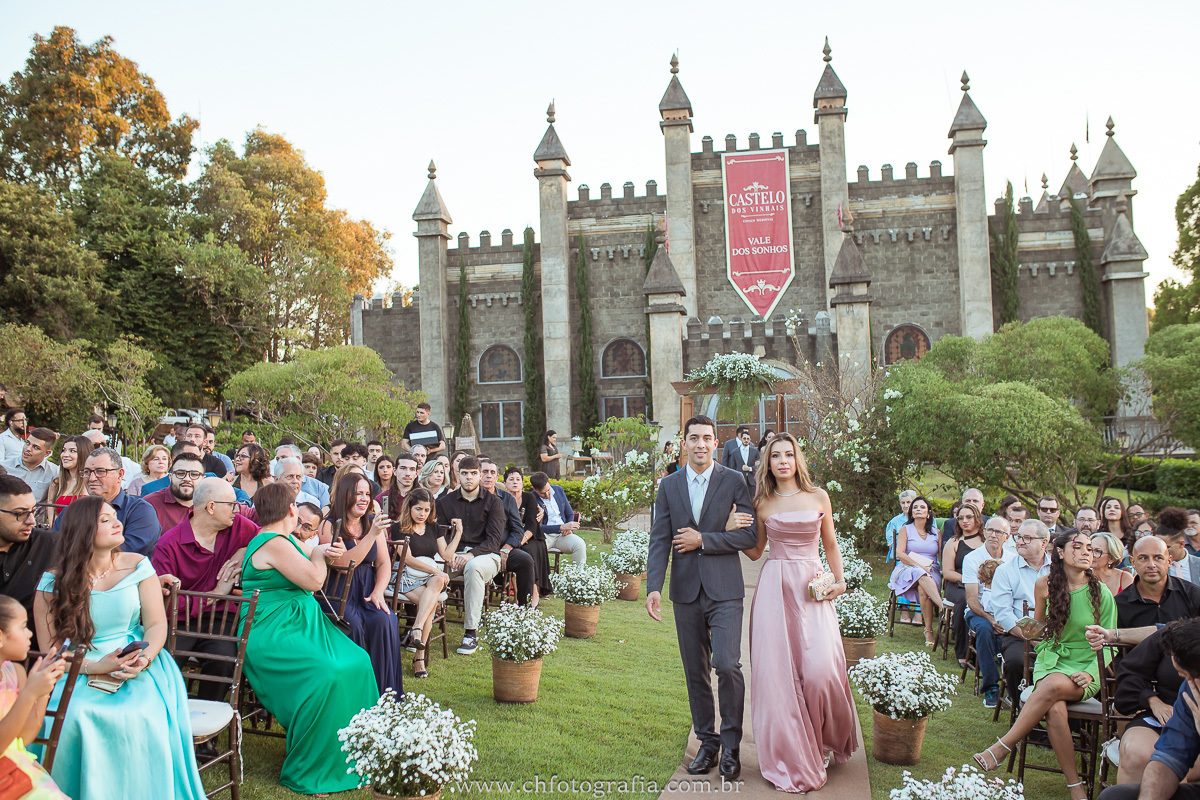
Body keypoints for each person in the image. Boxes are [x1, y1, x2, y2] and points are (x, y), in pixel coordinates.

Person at [33, 496, 207, 799]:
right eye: (105, 519)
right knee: (77, 715)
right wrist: (93, 667)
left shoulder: (139, 565)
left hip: (137, 660)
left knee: (139, 715)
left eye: (116, 516)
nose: (117, 523)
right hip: (76, 663)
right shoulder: (51, 583)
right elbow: (51, 648)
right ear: (82, 530)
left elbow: (156, 625)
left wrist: (145, 658)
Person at [238, 482, 379, 795]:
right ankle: (316, 763)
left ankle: (360, 752)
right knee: (326, 675)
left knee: (358, 661)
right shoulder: (272, 542)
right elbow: (314, 579)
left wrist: (325, 552)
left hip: (298, 625)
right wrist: (318, 552)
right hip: (272, 631)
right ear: (291, 510)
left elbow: (313, 561)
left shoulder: (284, 539)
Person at [741, 431, 855, 792]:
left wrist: (841, 581)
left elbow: (831, 543)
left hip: (812, 587)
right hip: (775, 587)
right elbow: (757, 551)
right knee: (778, 675)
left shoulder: (818, 495)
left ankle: (823, 738)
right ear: (768, 463)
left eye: (789, 454)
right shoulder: (762, 501)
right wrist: (733, 531)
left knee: (821, 670)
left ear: (797, 459)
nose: (783, 461)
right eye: (776, 456)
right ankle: (795, 748)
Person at [646, 415, 756, 780]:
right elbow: (660, 539)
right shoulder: (669, 485)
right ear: (684, 443)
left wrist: (704, 539)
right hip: (685, 591)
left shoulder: (735, 480)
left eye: (707, 438)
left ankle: (732, 747)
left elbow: (749, 537)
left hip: (725, 590)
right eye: (693, 438)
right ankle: (708, 744)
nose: (700, 444)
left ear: (715, 442)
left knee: (726, 664)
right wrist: (654, 587)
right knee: (695, 672)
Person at [974, 529, 1117, 800]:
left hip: (1085, 665)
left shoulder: (1102, 593)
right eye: (1079, 546)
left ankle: (1003, 747)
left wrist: (1089, 673)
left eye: (1091, 548)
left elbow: (1109, 646)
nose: (1087, 552)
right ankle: (1076, 789)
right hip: (1051, 659)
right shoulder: (1044, 584)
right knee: (1055, 710)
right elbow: (1039, 630)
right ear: (1060, 552)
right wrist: (1013, 624)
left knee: (1051, 688)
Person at [152, 478, 259, 702]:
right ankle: (168, 718)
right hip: (178, 622)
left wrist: (244, 550)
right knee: (164, 664)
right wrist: (217, 594)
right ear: (211, 507)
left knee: (223, 660)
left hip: (221, 619)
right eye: (231, 504)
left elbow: (267, 537)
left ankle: (208, 722)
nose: (236, 509)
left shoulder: (238, 527)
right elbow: (165, 603)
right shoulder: (169, 545)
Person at [1096, 618, 1200, 800]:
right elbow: (1170, 758)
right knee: (1115, 796)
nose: (1185, 681)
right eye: (1183, 676)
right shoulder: (1191, 691)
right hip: (1156, 717)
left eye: (1187, 676)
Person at [318, 475, 402, 695]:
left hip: (367, 589)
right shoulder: (330, 524)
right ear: (346, 494)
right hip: (337, 591)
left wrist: (378, 591)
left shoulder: (370, 523)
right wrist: (372, 534)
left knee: (385, 619)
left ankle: (385, 693)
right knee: (352, 623)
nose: (364, 499)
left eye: (367, 494)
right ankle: (356, 693)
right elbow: (341, 563)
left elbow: (383, 562)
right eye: (358, 493)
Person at [435, 456, 506, 655]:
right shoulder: (444, 502)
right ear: (457, 475)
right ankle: (420, 626)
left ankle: (470, 633)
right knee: (430, 566)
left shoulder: (494, 503)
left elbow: (494, 541)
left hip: (486, 556)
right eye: (464, 473)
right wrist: (448, 555)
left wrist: (471, 555)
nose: (469, 478)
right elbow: (438, 534)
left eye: (473, 474)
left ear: (480, 475)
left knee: (473, 568)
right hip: (452, 556)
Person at [0, 594, 69, 797]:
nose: (30, 633)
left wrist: (42, 689)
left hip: (17, 766)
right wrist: (29, 693)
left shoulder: (16, 673)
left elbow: (25, 737)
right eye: (22, 627)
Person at [1085, 537, 1200, 653]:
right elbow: (1114, 653)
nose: (1151, 565)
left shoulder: (1192, 595)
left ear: (1169, 561)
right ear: (1133, 562)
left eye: (1158, 558)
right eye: (1143, 558)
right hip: (1138, 669)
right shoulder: (1119, 604)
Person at [394, 489, 460, 679]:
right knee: (430, 606)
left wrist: (458, 534)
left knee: (438, 581)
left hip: (430, 578)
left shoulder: (433, 527)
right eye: (418, 509)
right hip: (407, 576)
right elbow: (406, 559)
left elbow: (446, 555)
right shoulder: (399, 527)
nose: (422, 514)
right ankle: (419, 658)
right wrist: (435, 570)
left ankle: (416, 629)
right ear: (409, 508)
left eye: (426, 510)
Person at [990, 519, 1053, 707]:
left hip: (1057, 636)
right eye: (1019, 537)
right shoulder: (1005, 571)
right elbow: (1003, 614)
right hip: (1019, 636)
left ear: (1043, 543)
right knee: (1016, 662)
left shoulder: (1058, 570)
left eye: (1027, 538)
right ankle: (1024, 717)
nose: (1020, 542)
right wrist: (1032, 636)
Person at [54, 448, 160, 557]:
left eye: (100, 472)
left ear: (120, 475)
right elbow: (55, 547)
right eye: (87, 472)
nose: (91, 478)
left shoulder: (140, 511)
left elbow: (125, 554)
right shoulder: (73, 511)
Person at [963, 516, 1015, 708]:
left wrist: (1005, 619)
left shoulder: (1012, 559)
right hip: (979, 611)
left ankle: (1014, 685)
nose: (993, 535)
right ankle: (991, 688)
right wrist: (991, 619)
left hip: (1006, 611)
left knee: (1011, 635)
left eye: (998, 532)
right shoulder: (972, 558)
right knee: (984, 630)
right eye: (990, 530)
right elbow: (971, 599)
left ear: (1007, 536)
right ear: (984, 532)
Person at [0, 477, 58, 639]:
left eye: (32, 511)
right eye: (20, 513)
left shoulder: (50, 544)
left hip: (38, 655)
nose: (31, 521)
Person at [888, 495, 947, 647]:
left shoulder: (936, 533)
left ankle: (928, 631)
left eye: (922, 507)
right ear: (911, 513)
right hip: (907, 568)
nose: (918, 509)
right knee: (920, 572)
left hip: (931, 570)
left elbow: (942, 555)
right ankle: (943, 607)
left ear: (928, 513)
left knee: (923, 589)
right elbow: (899, 554)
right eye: (915, 507)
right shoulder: (905, 529)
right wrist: (918, 566)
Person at [478, 459, 537, 608]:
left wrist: (507, 548)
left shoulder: (507, 498)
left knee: (526, 560)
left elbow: (518, 529)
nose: (488, 476)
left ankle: (524, 608)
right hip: (478, 551)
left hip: (503, 549)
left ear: (497, 477)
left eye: (492, 473)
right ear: (478, 475)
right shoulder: (472, 498)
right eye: (484, 472)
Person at [942, 502, 985, 667]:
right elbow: (948, 572)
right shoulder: (954, 542)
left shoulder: (986, 541)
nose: (964, 521)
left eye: (969, 517)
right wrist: (968, 579)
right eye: (960, 518)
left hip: (984, 584)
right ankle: (963, 652)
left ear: (977, 519)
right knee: (965, 600)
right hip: (958, 585)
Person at [503, 467, 552, 604]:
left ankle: (534, 591)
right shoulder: (501, 498)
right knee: (520, 553)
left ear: (523, 483)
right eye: (511, 479)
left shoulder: (529, 498)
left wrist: (518, 542)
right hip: (510, 538)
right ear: (505, 482)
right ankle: (519, 593)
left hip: (531, 537)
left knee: (527, 551)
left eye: (518, 479)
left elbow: (532, 526)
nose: (515, 482)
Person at [530, 471, 587, 567]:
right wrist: (561, 527)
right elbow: (537, 527)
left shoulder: (558, 490)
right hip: (544, 536)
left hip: (563, 535)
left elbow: (569, 513)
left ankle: (578, 577)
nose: (547, 495)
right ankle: (537, 580)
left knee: (580, 544)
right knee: (533, 550)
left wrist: (568, 528)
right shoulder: (531, 498)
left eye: (548, 490)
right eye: (543, 493)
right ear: (534, 489)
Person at [143, 451, 204, 532]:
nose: (187, 479)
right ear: (170, 477)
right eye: (180, 473)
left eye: (194, 474)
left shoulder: (213, 504)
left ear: (203, 479)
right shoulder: (150, 504)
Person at [3, 428, 58, 514]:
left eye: (35, 447)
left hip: (36, 524)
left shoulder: (54, 473)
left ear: (47, 453)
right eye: (27, 443)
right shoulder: (4, 467)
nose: (28, 449)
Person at [46, 435, 93, 526]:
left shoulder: (92, 482)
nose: (65, 455)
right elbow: (52, 522)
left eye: (72, 451)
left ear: (84, 453)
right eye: (63, 450)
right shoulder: (56, 484)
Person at [1157, 508, 1200, 584]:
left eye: (1168, 547)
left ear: (1182, 544)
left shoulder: (1197, 563)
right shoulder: (1157, 567)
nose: (1162, 551)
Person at [1092, 532, 1136, 597]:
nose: (1091, 554)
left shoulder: (1125, 578)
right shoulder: (1082, 577)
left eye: (1097, 551)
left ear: (1111, 558)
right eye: (1089, 549)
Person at [721, 426, 759, 491]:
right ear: (740, 437)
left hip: (751, 480)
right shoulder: (732, 449)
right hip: (739, 480)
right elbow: (726, 461)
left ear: (750, 439)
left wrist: (750, 468)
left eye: (748, 438)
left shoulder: (754, 449)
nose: (746, 440)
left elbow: (759, 464)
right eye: (744, 438)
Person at [885, 489, 917, 564]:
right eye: (903, 503)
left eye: (908, 502)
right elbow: (892, 547)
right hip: (902, 560)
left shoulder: (925, 519)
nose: (906, 505)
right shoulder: (894, 522)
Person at [385, 453, 419, 518]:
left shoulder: (426, 498)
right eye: (403, 468)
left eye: (412, 469)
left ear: (416, 473)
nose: (407, 474)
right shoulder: (382, 498)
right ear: (394, 471)